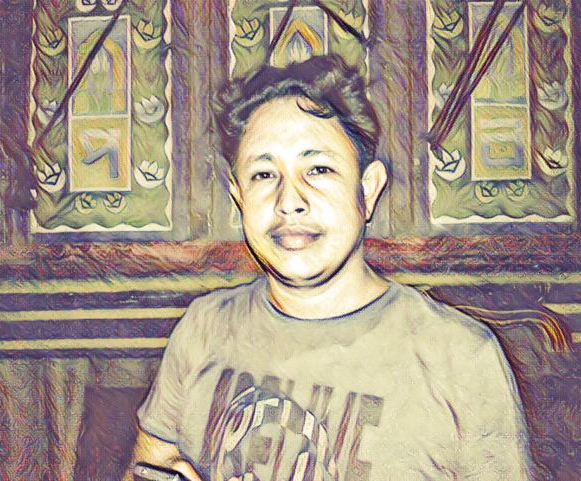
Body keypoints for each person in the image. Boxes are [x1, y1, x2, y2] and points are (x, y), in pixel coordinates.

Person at [125, 55, 532, 481]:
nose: (289, 201)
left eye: (318, 169)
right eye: (264, 174)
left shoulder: (461, 358)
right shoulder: (202, 329)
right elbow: (148, 467)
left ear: (367, 190)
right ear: (239, 196)